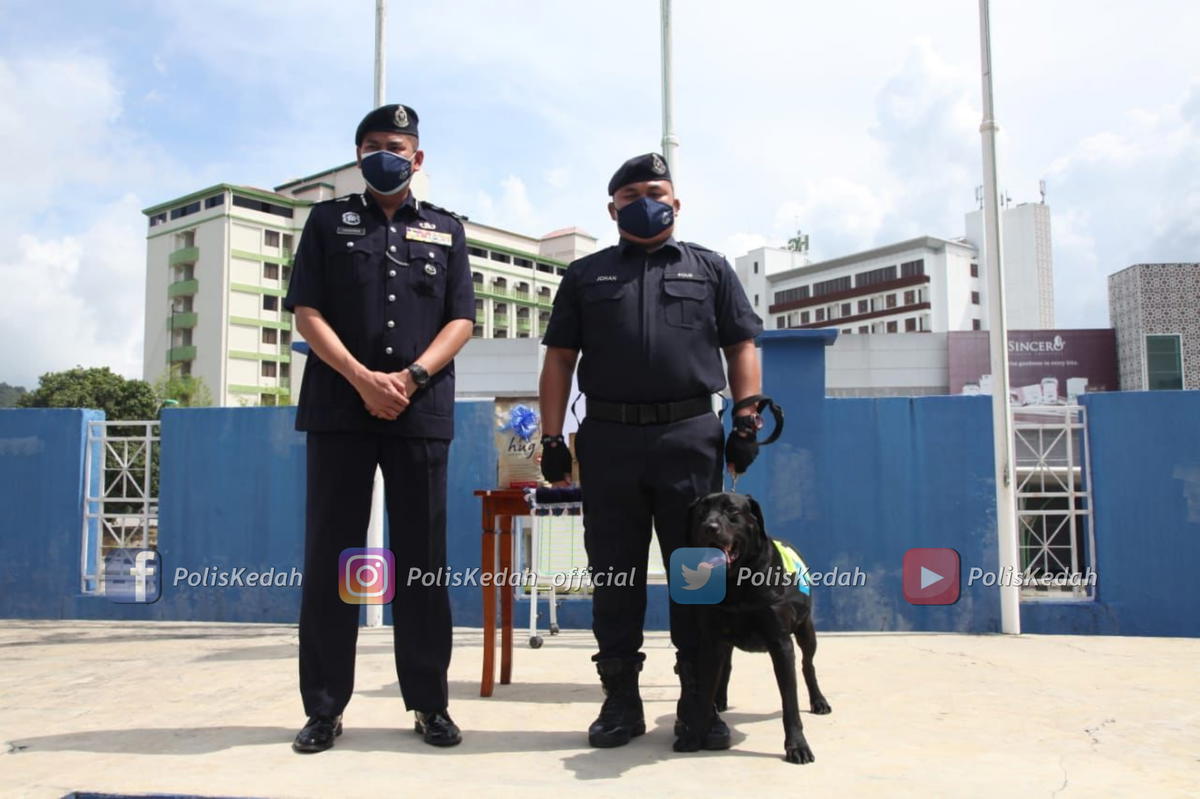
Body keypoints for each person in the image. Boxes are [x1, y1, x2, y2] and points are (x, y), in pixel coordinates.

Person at [537, 153, 764, 750]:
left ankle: (699, 705)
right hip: (609, 440)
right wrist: (553, 438)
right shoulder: (586, 276)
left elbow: (741, 342)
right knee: (615, 574)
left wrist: (745, 416)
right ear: (612, 208)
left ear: (677, 201)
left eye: (656, 190)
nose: (645, 200)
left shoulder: (710, 269)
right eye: (631, 192)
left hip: (689, 435)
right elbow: (560, 358)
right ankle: (620, 702)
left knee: (697, 575)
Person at [283, 103, 475, 753]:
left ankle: (429, 704)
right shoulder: (327, 221)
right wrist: (363, 377)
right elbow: (306, 312)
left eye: (394, 145)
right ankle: (324, 708)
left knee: (423, 562)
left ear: (417, 157)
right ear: (358, 155)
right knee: (335, 556)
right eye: (370, 146)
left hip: (420, 412)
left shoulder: (447, 231)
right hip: (340, 408)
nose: (382, 155)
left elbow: (461, 320)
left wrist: (411, 378)